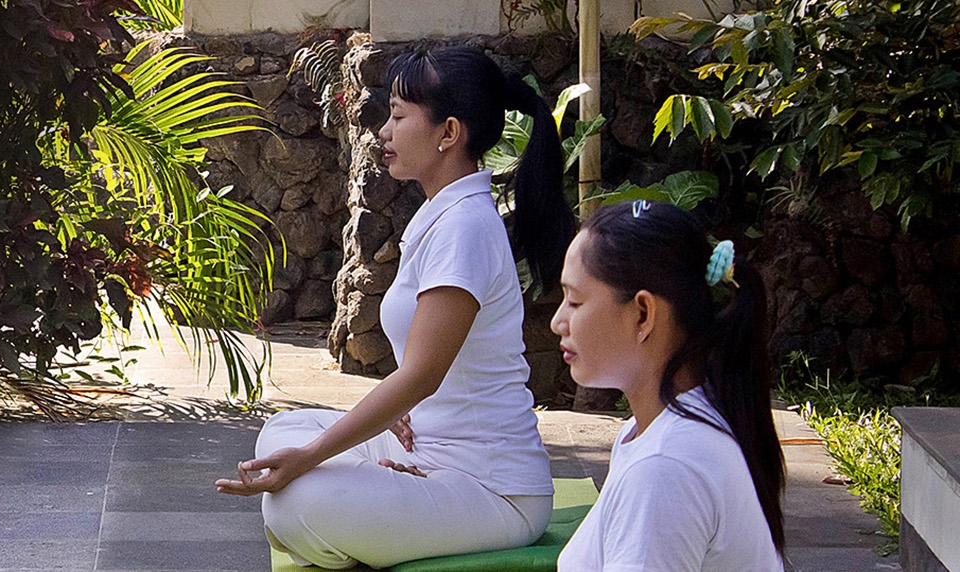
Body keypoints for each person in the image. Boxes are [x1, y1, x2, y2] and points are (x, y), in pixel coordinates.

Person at [216, 46, 576, 569]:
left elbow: (422, 375)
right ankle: (392, 497)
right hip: (423, 447)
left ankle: (392, 502)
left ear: (448, 133)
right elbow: (425, 375)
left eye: (399, 116)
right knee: (282, 432)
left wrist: (313, 459)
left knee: (297, 500)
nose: (383, 131)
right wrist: (394, 418)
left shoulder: (464, 228)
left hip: (492, 488)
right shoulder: (442, 213)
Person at [552, 200, 784, 570]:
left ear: (643, 314)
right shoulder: (655, 432)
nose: (557, 322)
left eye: (575, 302)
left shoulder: (665, 467)